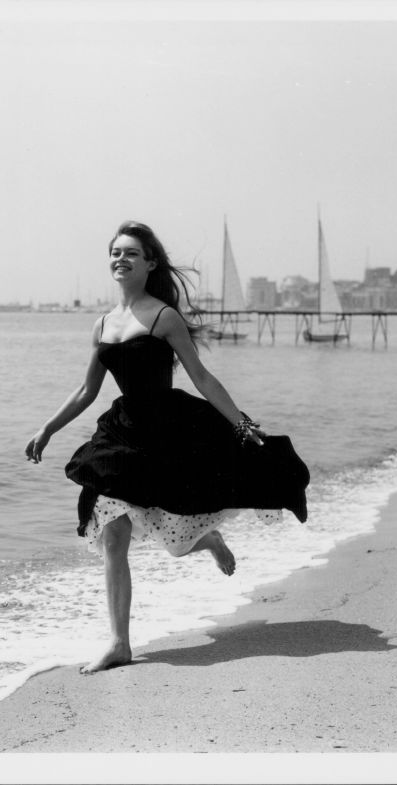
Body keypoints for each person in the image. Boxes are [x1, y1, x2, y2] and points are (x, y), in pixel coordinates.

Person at [25, 220, 309, 673]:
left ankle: (209, 539)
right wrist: (48, 429)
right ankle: (120, 643)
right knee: (113, 534)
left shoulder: (164, 317)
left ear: (150, 263)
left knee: (173, 539)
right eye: (116, 252)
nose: (121, 259)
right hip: (121, 435)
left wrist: (241, 424)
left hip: (168, 433)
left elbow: (201, 377)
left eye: (131, 253)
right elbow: (86, 391)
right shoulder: (101, 324)